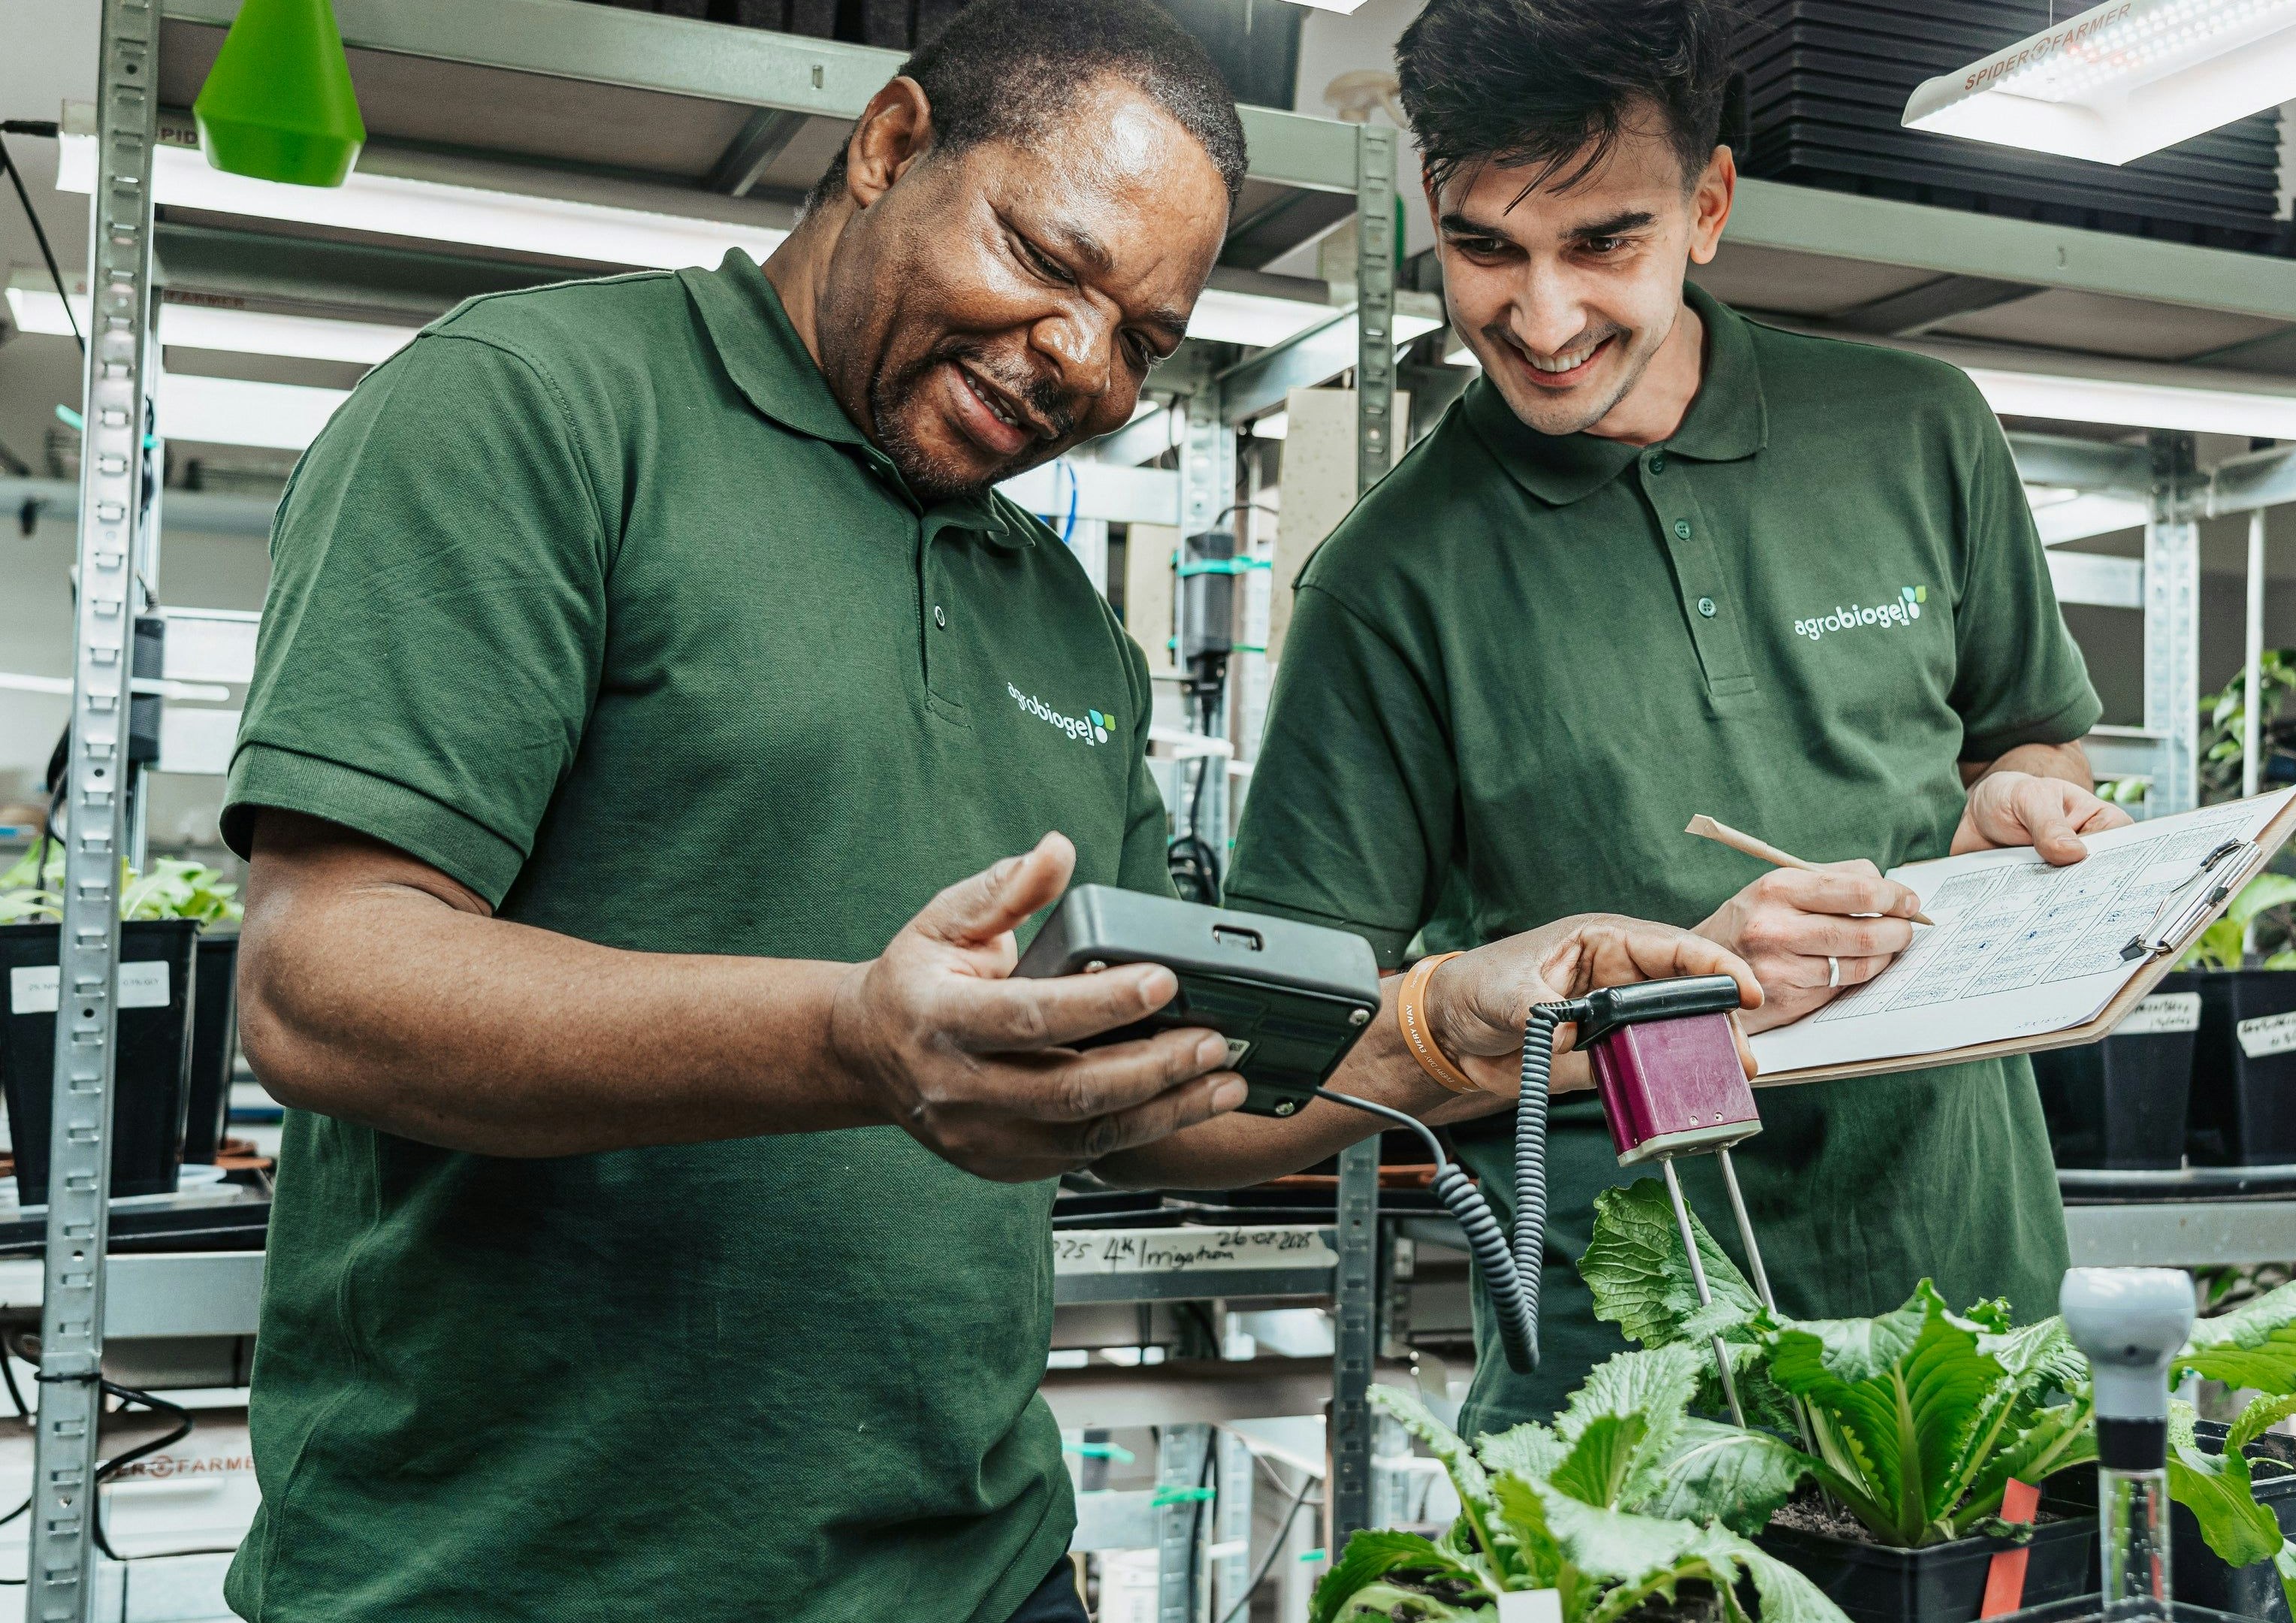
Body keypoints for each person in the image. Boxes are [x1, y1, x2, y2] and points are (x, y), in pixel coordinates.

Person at [216, 4, 1755, 1618]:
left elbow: (1167, 1087)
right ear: (889, 146)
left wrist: (1467, 1018)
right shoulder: (538, 412)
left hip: (982, 1575)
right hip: (516, 1582)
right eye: (1046, 260)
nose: (1084, 363)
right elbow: (325, 986)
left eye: (1145, 338)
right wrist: (857, 1044)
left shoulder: (1064, 624)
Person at [1224, 0, 2134, 1438]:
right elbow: (1280, 1061)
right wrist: (1629, 998)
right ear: (1429, 213)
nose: (1541, 319)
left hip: (1974, 1316)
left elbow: (2028, 743)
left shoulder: (1918, 428)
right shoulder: (1388, 583)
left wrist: (2015, 806)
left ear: (1708, 205)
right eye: (1484, 248)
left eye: (1603, 243)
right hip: (1627, 1374)